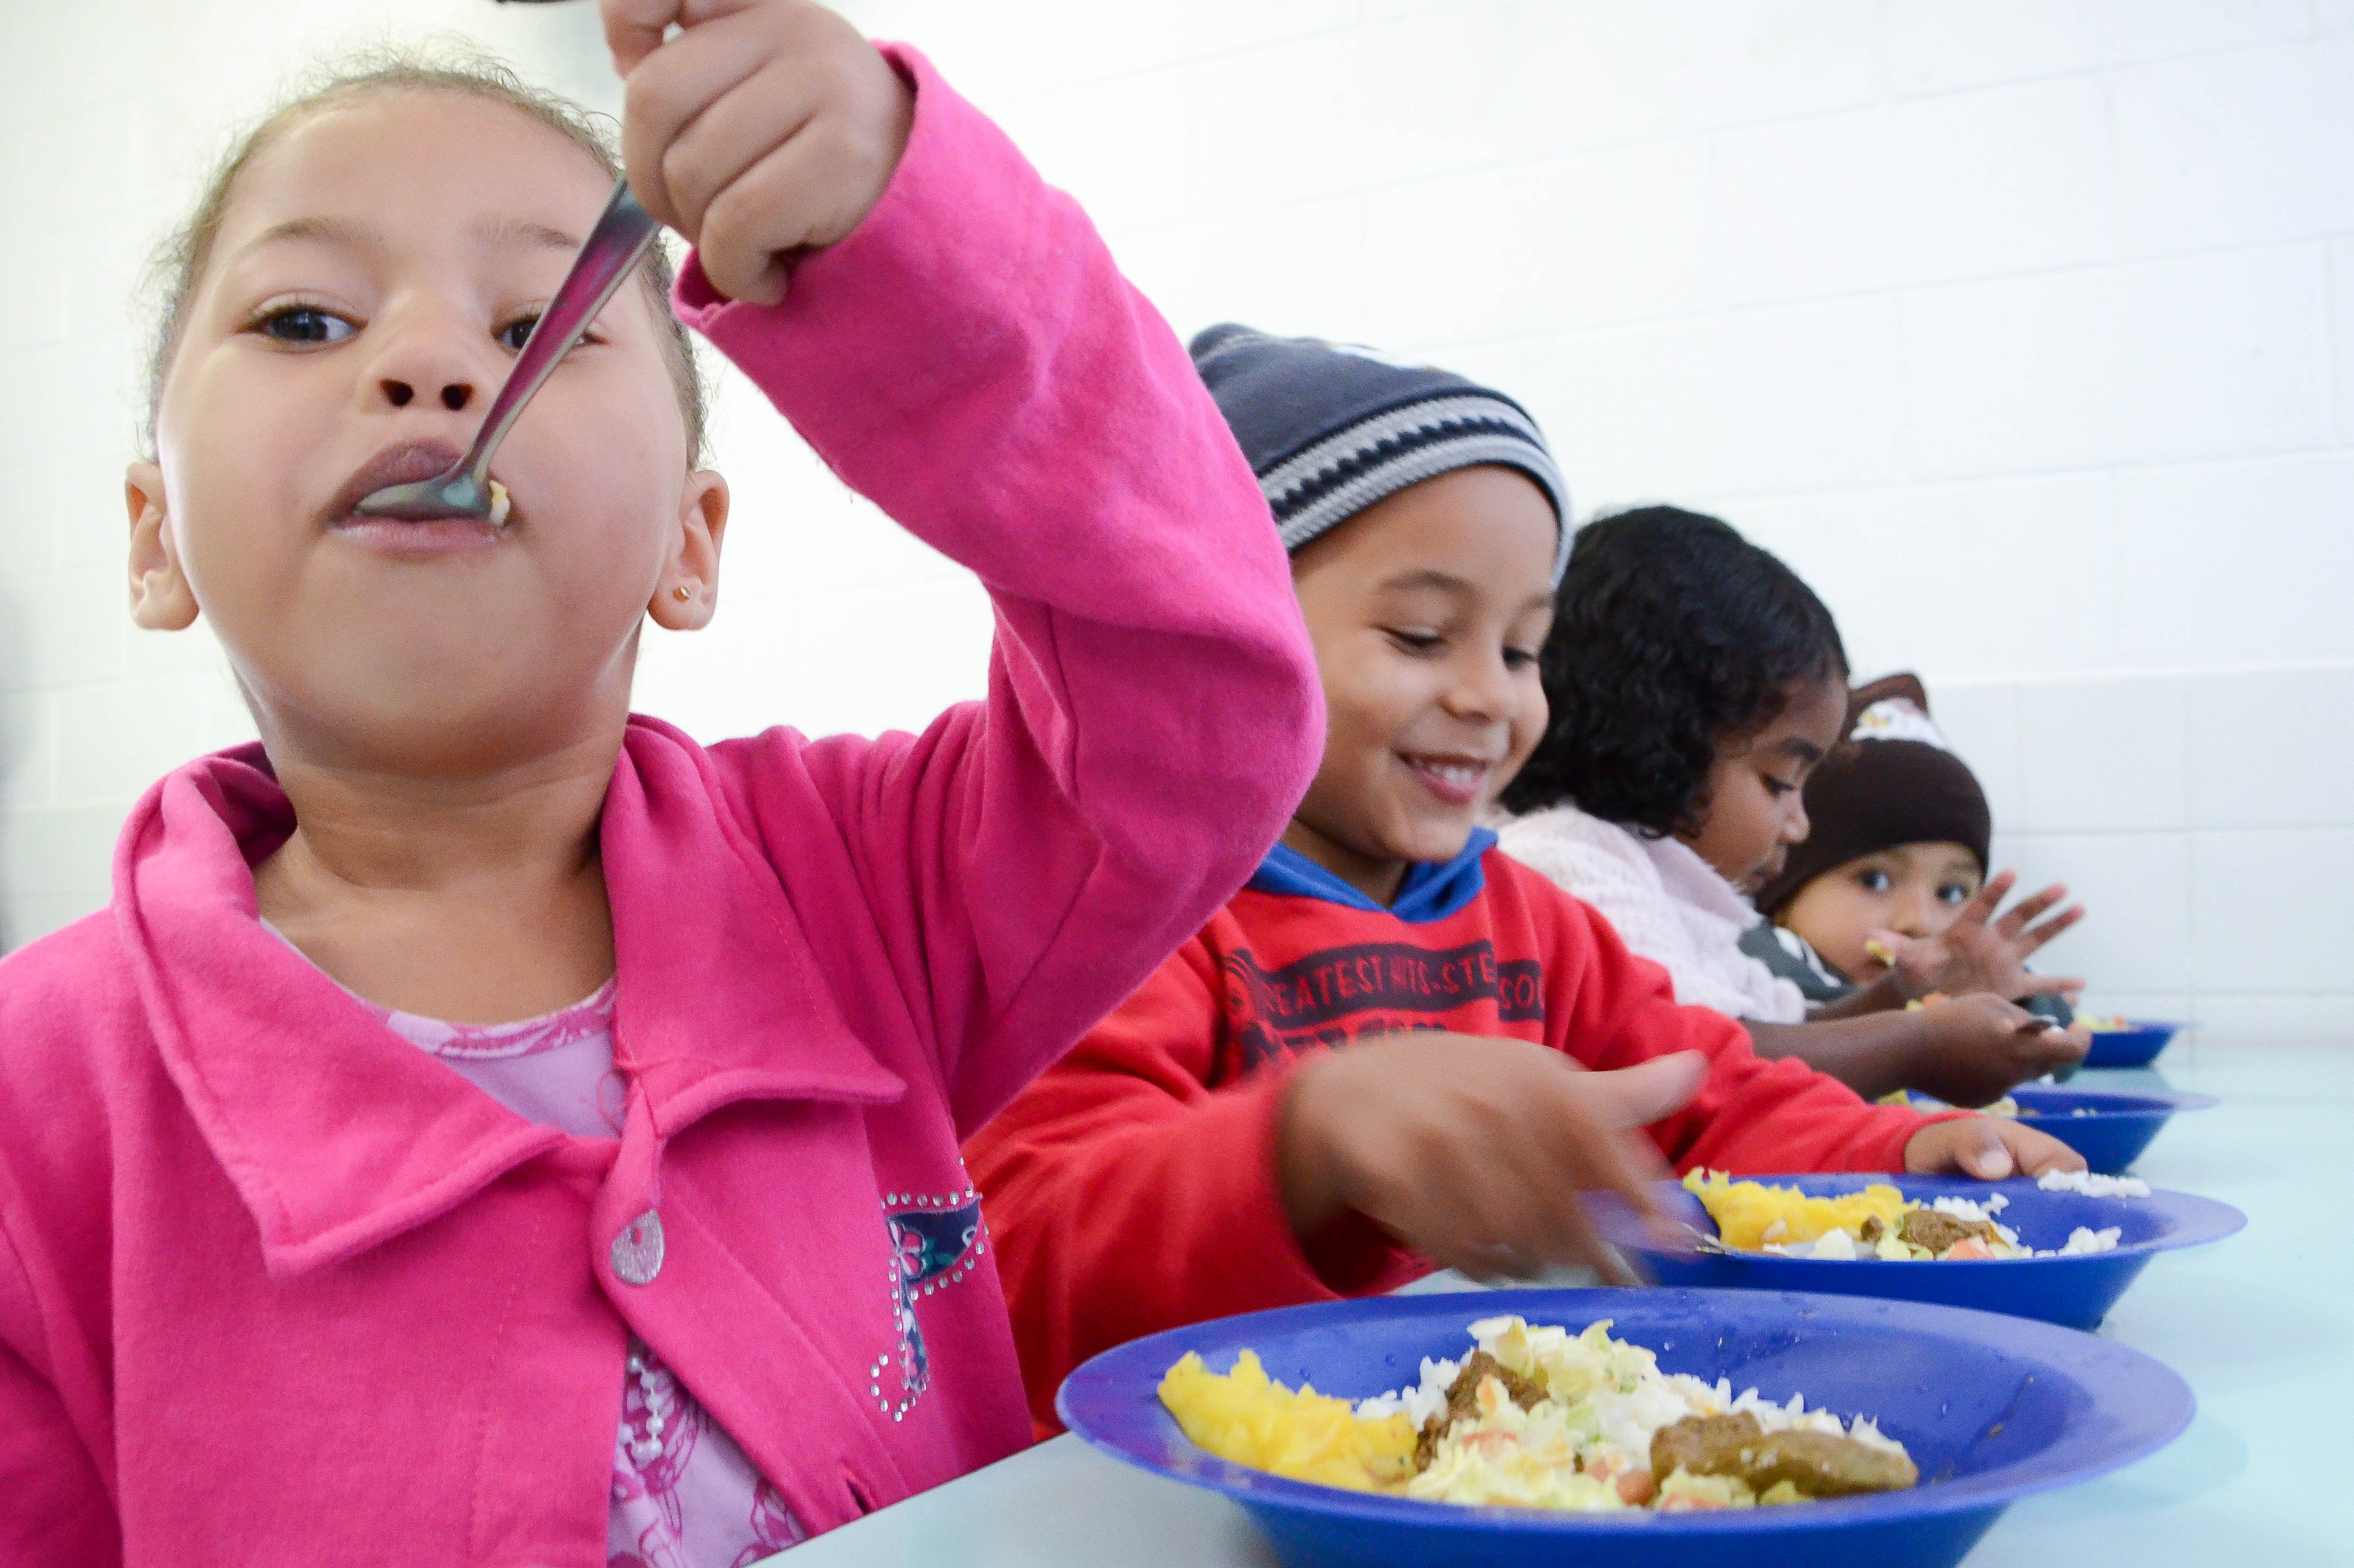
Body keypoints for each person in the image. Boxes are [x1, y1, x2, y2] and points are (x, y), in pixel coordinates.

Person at [0, 5, 1324, 1563]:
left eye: (530, 329)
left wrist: (911, 244)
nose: (428, 363)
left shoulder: (860, 890)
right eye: (305, 320)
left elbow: (1200, 703)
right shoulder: (39, 1102)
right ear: (156, 537)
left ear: (689, 545)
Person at [964, 332, 2081, 1433]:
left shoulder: (1529, 926)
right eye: (1420, 635)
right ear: (1208, 628)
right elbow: (1025, 1260)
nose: (1490, 698)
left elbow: (1711, 1094)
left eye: (1518, 650)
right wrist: (1303, 1144)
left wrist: (1896, 1154)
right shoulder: (1130, 923)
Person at [1494, 509, 2085, 1107]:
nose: (1799, 824)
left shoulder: (1672, 895)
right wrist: (1918, 1044)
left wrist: (1908, 992)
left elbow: (1783, 1032)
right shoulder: (1564, 860)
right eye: (1779, 780)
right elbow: (1701, 1061)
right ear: (1660, 744)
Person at [1750, 675, 2081, 1036]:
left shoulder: (1949, 970)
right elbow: (1816, 1028)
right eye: (1875, 880)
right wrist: (1937, 1004)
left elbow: (2058, 1039)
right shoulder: (1756, 957)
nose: (1919, 922)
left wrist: (2016, 997)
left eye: (1951, 893)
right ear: (1785, 894)